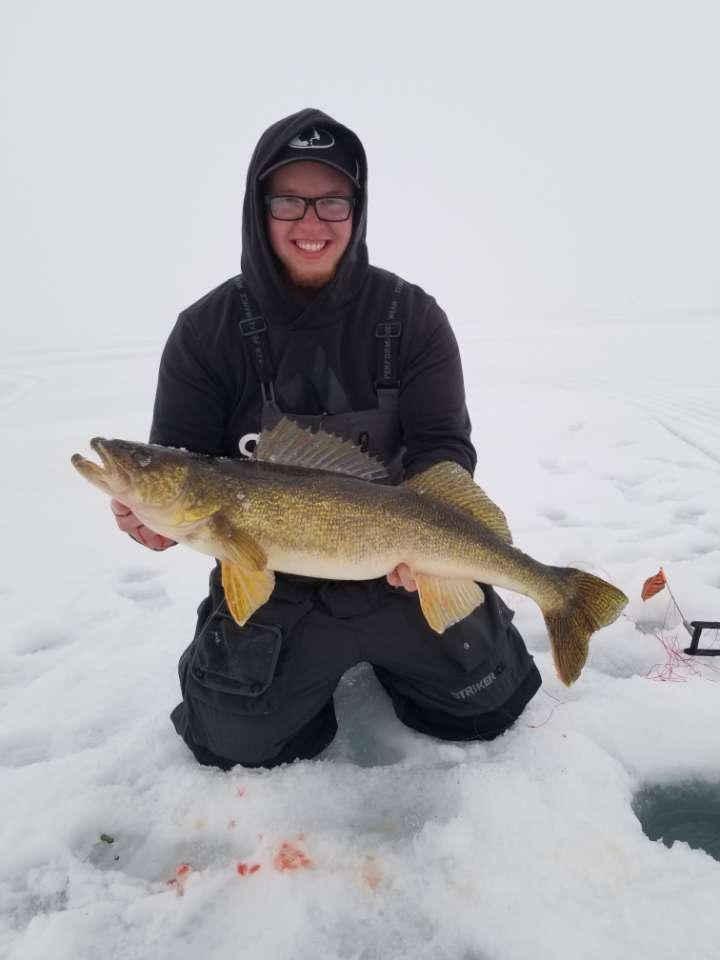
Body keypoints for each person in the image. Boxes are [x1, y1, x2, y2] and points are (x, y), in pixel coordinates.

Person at [111, 108, 541, 769]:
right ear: (259, 206)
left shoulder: (413, 317)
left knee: (485, 709)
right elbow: (179, 452)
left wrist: (429, 546)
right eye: (289, 199)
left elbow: (442, 450)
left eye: (332, 201)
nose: (311, 222)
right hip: (276, 581)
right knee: (236, 745)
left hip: (403, 571)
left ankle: (527, 609)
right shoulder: (206, 331)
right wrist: (152, 518)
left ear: (356, 208)